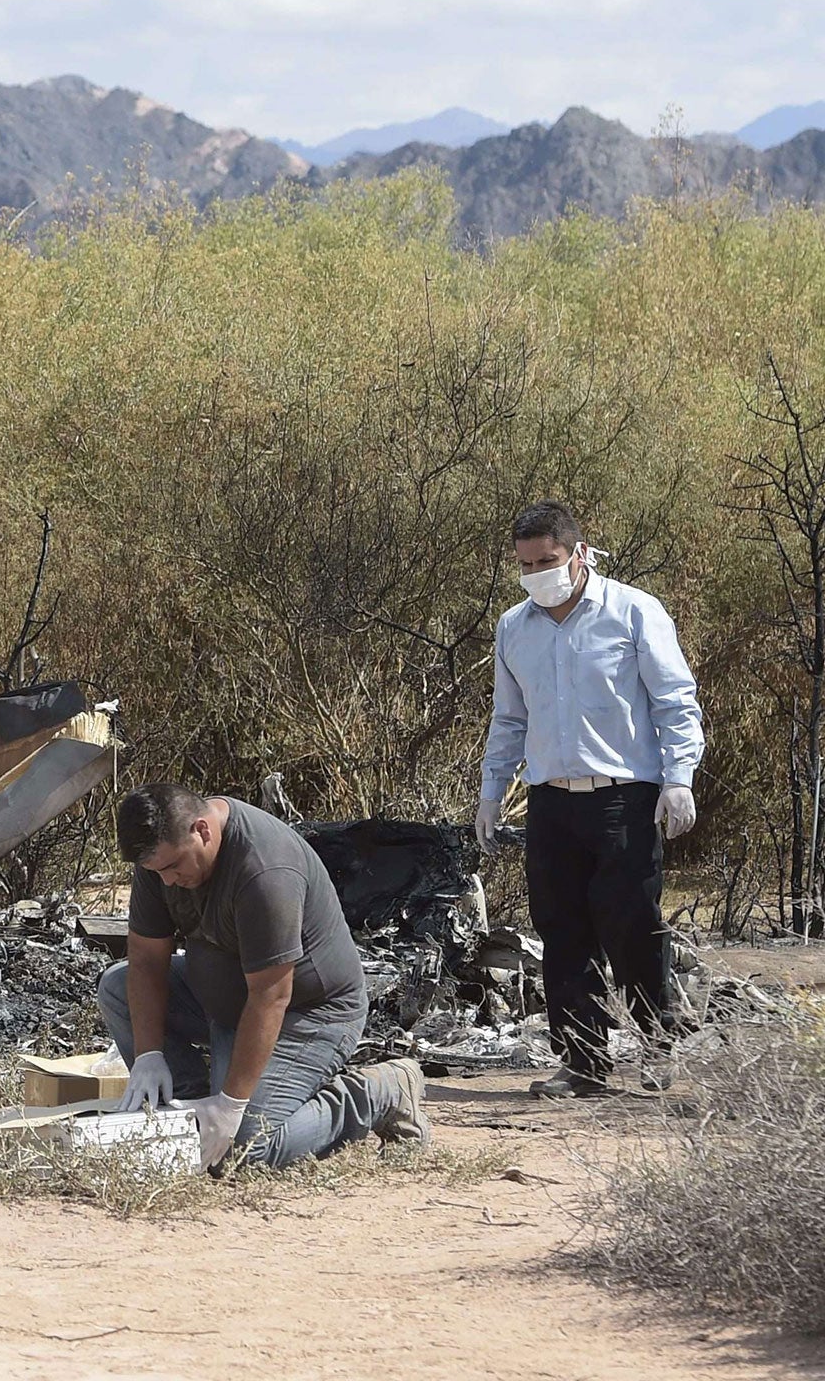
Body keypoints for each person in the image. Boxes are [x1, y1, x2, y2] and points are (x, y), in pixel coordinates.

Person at [477, 500, 704, 1098]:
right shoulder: (514, 627)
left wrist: (679, 777)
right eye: (525, 565)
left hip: (625, 798)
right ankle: (583, 1061)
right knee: (562, 931)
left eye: (546, 560)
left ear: (579, 554)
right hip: (550, 801)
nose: (536, 575)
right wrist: (492, 791)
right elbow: (509, 718)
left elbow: (674, 700)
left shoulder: (634, 613)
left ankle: (659, 1050)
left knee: (631, 926)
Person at [99, 783, 430, 1170]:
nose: (167, 881)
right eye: (157, 872)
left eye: (173, 867)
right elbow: (146, 959)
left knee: (246, 1148)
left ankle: (378, 1094)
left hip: (310, 1013)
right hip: (229, 1005)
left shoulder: (264, 869)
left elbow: (271, 995)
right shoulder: (163, 860)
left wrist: (231, 1106)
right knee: (117, 987)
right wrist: (150, 1053)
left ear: (202, 830)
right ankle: (191, 1111)